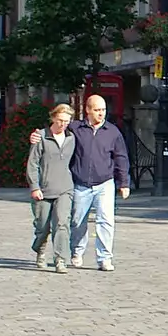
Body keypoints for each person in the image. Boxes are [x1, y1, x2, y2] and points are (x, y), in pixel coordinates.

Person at [34, 95, 131, 271]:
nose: (101, 114)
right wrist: (37, 135)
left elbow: (121, 157)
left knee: (106, 221)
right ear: (87, 110)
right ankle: (77, 252)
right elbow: (56, 129)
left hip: (105, 183)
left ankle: (104, 258)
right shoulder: (75, 128)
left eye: (103, 110)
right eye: (97, 110)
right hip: (80, 182)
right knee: (78, 221)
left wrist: (124, 183)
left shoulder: (113, 131)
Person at [26, 103, 78, 273]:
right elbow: (32, 164)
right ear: (53, 118)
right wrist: (34, 186)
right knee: (43, 227)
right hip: (44, 189)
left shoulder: (71, 138)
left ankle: (60, 259)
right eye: (60, 120)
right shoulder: (41, 136)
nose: (63, 124)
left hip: (65, 188)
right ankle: (40, 250)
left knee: (62, 223)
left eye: (67, 121)